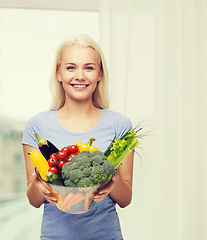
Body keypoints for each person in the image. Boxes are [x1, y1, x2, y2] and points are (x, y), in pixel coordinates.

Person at [22, 34, 134, 240]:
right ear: (59, 73)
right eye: (71, 67)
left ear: (99, 74)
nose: (80, 76)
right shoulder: (37, 126)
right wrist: (39, 185)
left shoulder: (120, 125)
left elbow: (126, 199)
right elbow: (34, 200)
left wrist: (111, 180)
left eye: (89, 68)